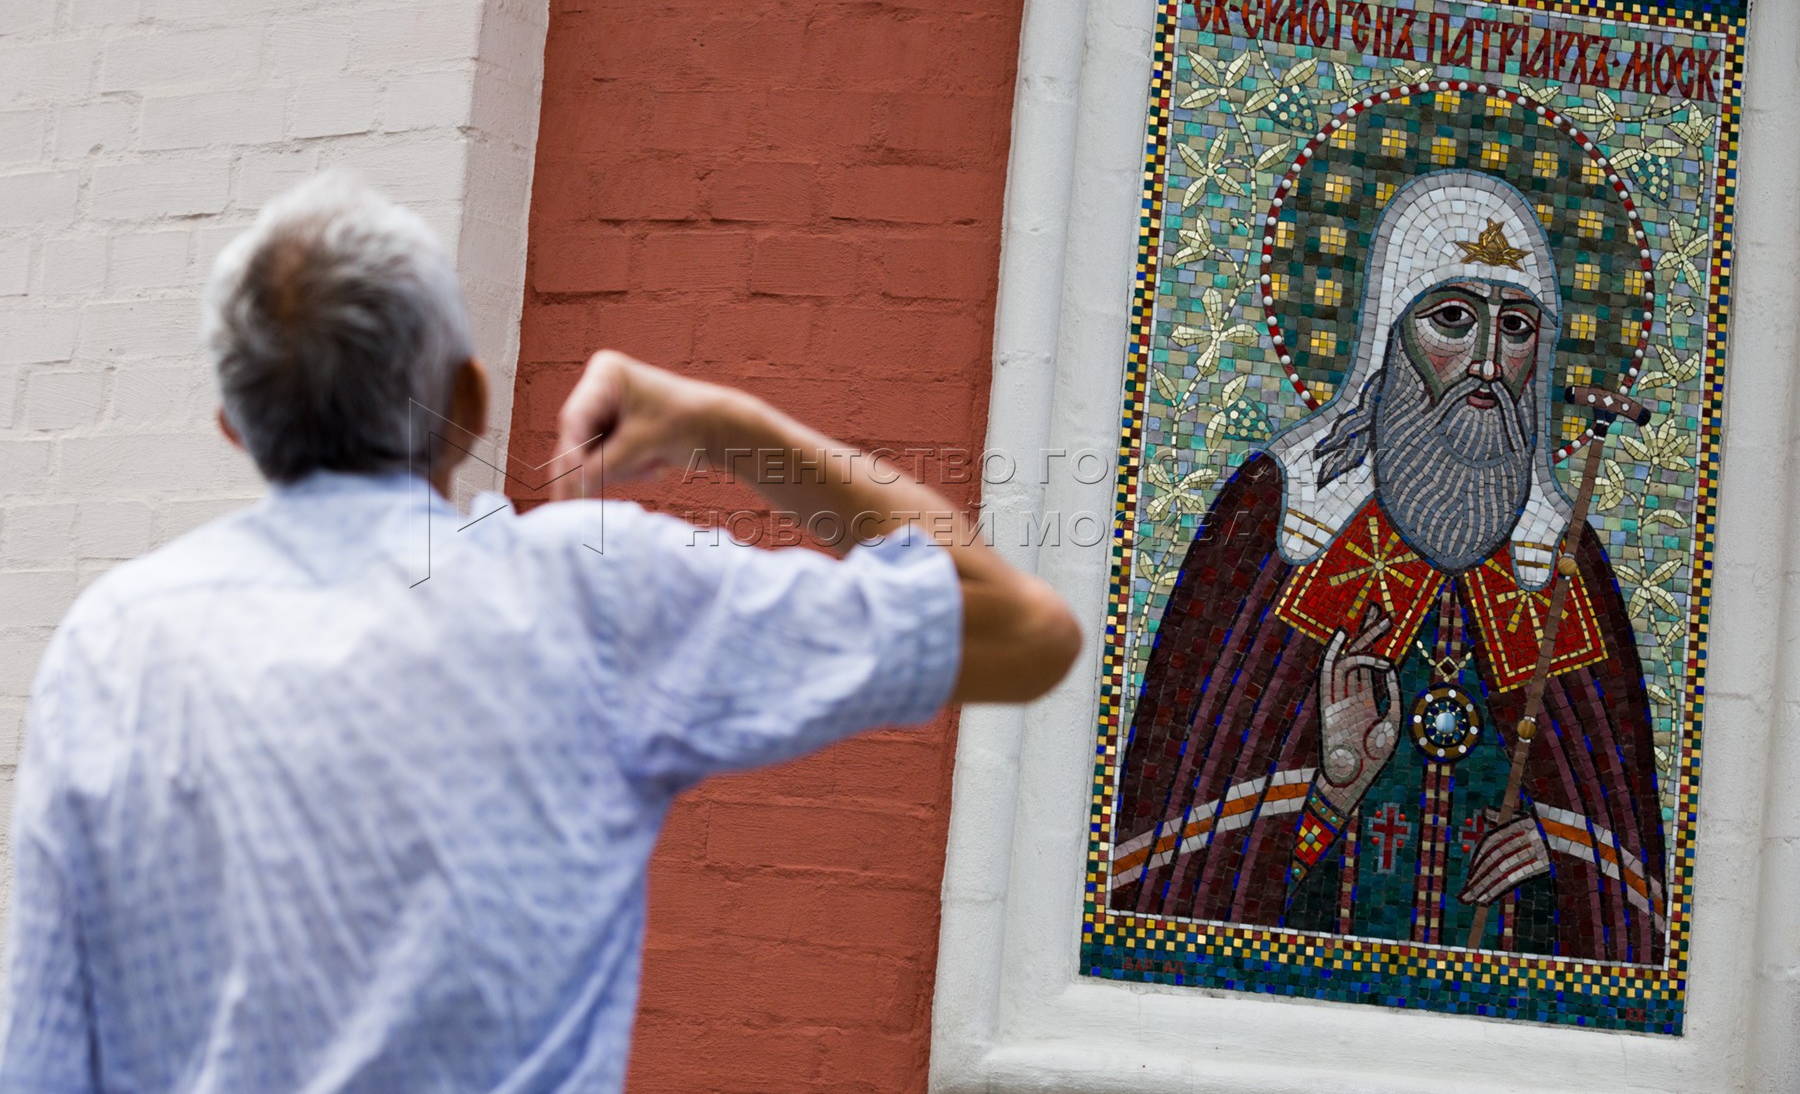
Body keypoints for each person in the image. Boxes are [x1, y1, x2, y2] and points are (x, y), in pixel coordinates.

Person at [0, 173, 1081, 1092]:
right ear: (468, 405)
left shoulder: (109, 647)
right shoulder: (587, 596)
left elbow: (41, 1057)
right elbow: (1026, 633)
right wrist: (724, 424)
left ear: (235, 427)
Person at [1108, 169, 1666, 962]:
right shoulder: (1282, 518)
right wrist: (1331, 787)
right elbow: (1179, 866)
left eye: (1515, 328)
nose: (1487, 363)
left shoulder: (1563, 562)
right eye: (1453, 320)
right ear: (1389, 336)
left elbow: (1625, 863)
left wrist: (1562, 850)